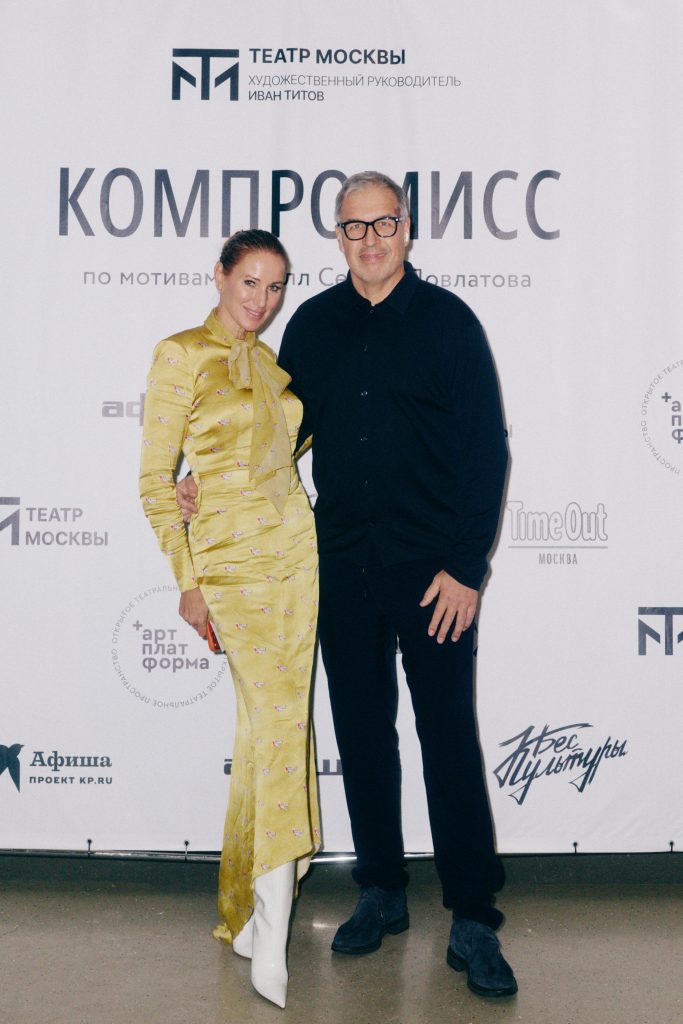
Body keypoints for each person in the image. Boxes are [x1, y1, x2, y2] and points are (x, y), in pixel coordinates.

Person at [179, 172, 516, 999]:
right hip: (337, 565)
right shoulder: (314, 324)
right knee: (362, 737)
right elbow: (275, 434)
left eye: (383, 224)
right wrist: (206, 479)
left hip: (433, 573)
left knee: (446, 738)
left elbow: (486, 451)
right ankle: (381, 891)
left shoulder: (449, 323)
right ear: (337, 236)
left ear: (407, 229)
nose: (369, 240)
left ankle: (473, 915)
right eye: (353, 227)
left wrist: (466, 569)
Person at [139, 230, 321, 1009]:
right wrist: (188, 580)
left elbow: (280, 456)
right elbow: (155, 479)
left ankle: (250, 915)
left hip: (296, 555)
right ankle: (270, 934)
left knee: (274, 730)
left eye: (275, 287)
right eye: (250, 282)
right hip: (228, 565)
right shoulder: (179, 354)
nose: (262, 300)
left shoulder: (273, 364)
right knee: (277, 724)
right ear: (218, 276)